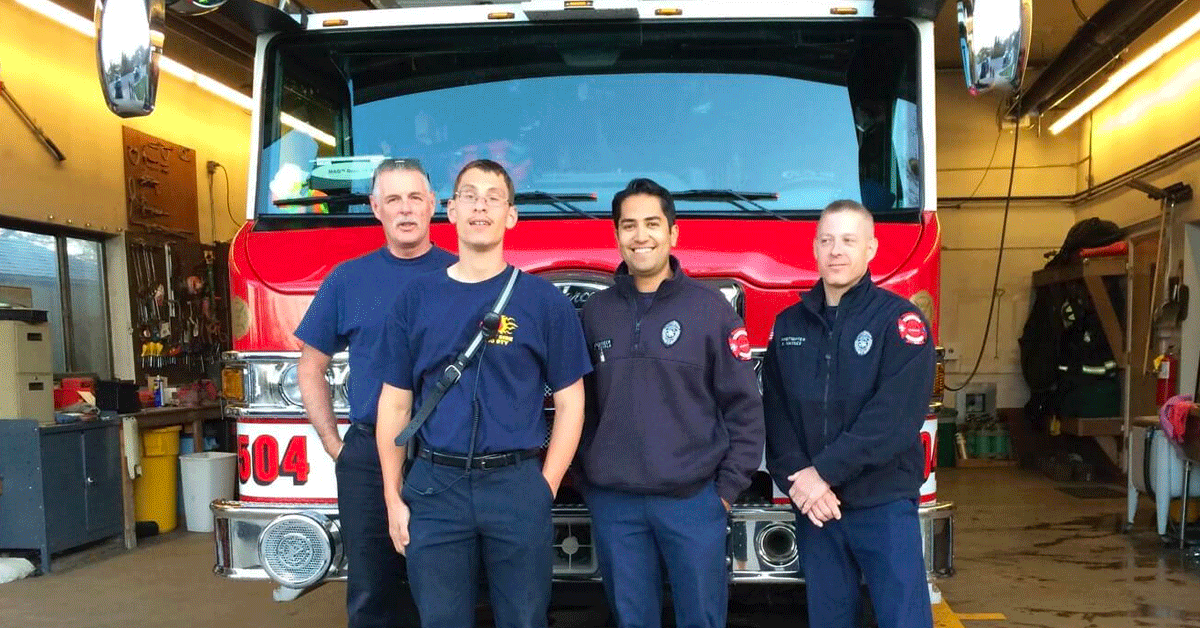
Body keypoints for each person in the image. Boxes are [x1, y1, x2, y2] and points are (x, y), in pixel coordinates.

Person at [374, 159, 592, 628]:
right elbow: (395, 403)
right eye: (469, 196)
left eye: (493, 197)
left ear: (511, 216)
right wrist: (394, 496)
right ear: (449, 211)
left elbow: (572, 401)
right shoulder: (416, 300)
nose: (480, 206)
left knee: (524, 617)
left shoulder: (544, 302)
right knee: (441, 618)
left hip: (515, 485)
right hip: (434, 486)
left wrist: (545, 486)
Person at [576, 178, 764, 628]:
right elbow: (580, 408)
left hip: (693, 502)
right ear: (617, 235)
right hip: (615, 504)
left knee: (701, 618)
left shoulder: (711, 311)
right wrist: (590, 484)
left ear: (673, 233)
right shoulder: (595, 313)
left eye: (652, 224)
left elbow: (744, 407)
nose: (640, 236)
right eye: (628, 226)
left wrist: (724, 491)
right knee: (631, 620)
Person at [295, 159, 454, 628]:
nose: (404, 210)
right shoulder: (348, 280)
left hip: (443, 452)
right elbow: (311, 365)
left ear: (431, 205)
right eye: (392, 200)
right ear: (375, 209)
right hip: (366, 451)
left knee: (445, 584)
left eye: (413, 198)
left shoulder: (462, 276)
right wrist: (334, 445)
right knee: (371, 589)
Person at [762, 199, 935, 628]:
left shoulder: (901, 321)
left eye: (848, 240)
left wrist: (821, 473)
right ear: (815, 249)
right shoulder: (788, 326)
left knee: (903, 620)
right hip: (819, 511)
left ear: (871, 249)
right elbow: (776, 415)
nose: (836, 250)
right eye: (827, 240)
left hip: (882, 503)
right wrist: (800, 482)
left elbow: (893, 419)